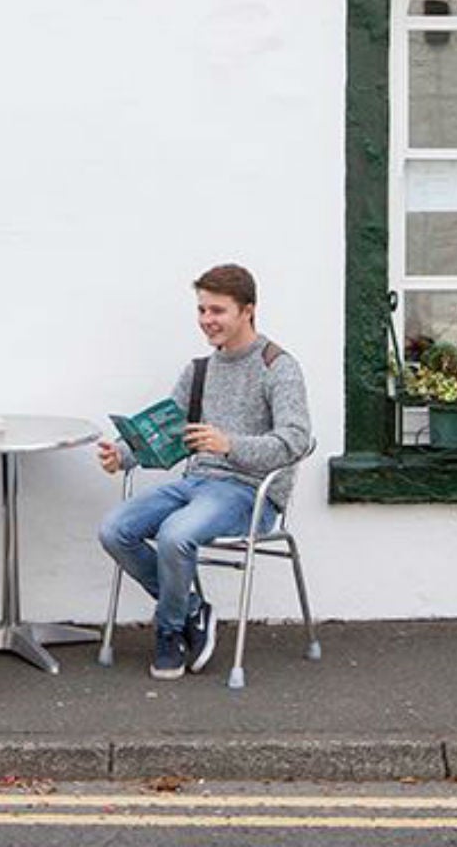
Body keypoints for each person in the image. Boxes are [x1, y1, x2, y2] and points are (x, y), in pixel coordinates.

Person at [96, 263, 311, 680]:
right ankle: (192, 609)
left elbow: (295, 441)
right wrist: (120, 455)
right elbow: (167, 429)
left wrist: (229, 444)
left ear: (248, 310)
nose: (207, 321)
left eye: (217, 311)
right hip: (197, 484)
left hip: (251, 493)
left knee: (177, 534)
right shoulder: (199, 370)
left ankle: (169, 630)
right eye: (202, 311)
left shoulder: (278, 366)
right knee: (114, 529)